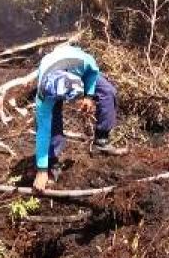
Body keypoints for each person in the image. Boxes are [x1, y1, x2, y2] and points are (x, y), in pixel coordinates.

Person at [32, 45, 127, 192]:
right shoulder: (44, 94)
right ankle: (51, 161)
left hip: (77, 67)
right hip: (52, 69)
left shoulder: (84, 62)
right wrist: (41, 169)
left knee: (108, 92)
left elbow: (93, 72)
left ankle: (101, 140)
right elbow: (42, 131)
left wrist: (88, 96)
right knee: (52, 117)